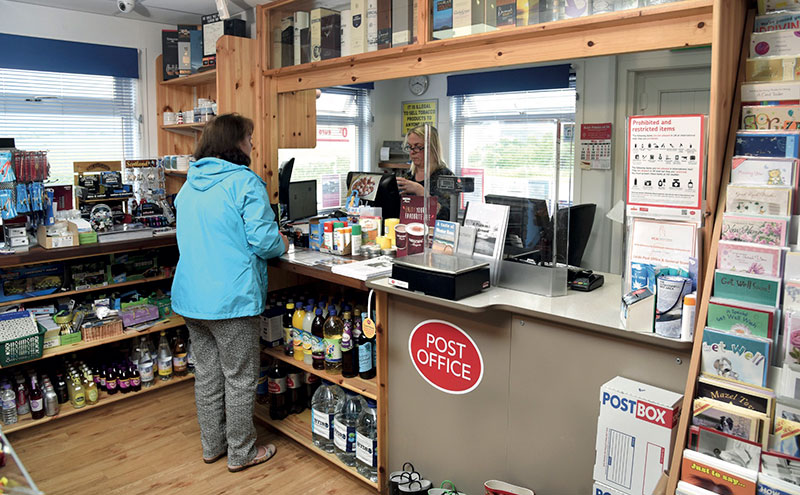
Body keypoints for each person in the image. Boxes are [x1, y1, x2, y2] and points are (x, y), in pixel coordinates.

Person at [171, 113, 288, 473]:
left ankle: (213, 446)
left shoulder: (188, 186)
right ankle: (241, 453)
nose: (252, 144)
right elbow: (265, 242)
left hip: (192, 300)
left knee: (207, 376)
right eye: (249, 138)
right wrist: (280, 240)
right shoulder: (245, 182)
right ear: (235, 143)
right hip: (232, 301)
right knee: (239, 378)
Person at [396, 125, 455, 220]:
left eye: (418, 147)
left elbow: (447, 216)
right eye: (410, 147)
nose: (412, 152)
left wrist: (420, 191)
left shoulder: (446, 177)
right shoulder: (408, 176)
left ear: (432, 148)